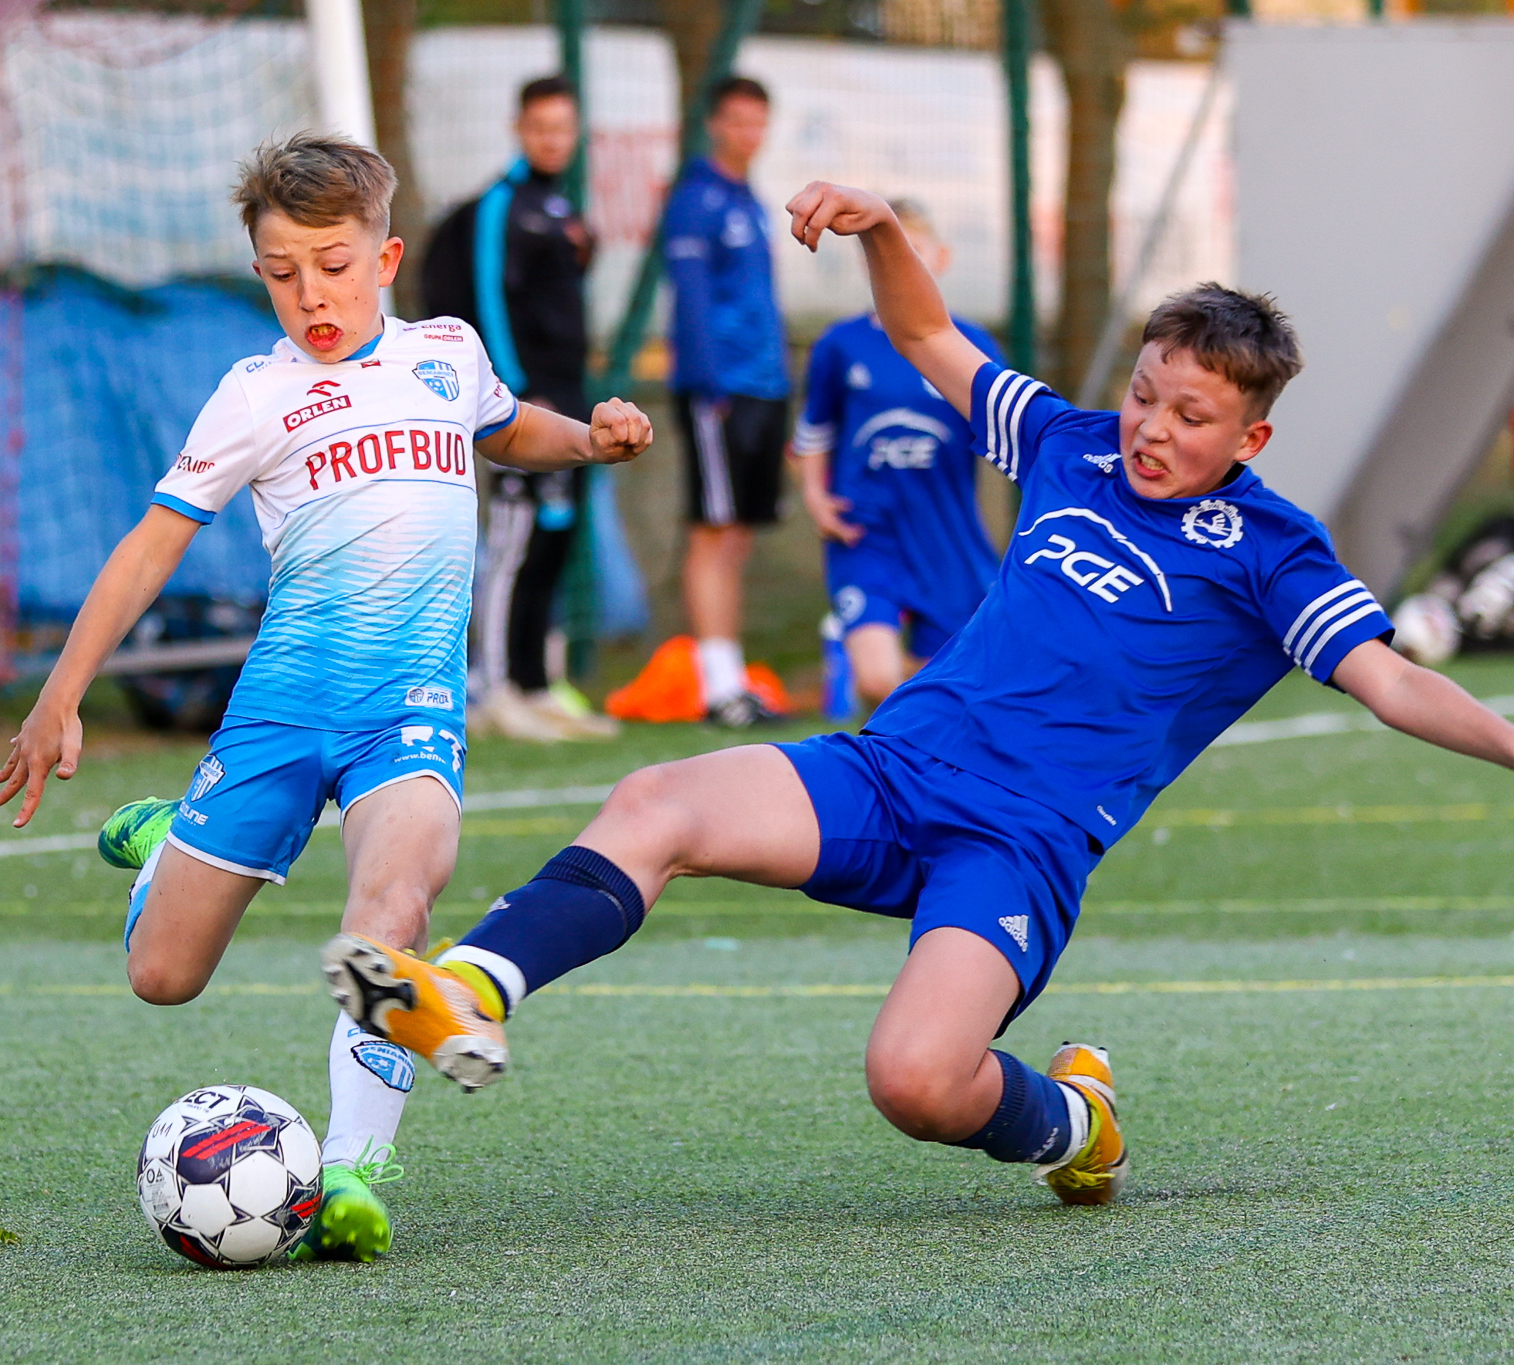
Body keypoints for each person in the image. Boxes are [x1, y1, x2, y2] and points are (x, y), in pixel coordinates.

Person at [318, 181, 1514, 1209]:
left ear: (1247, 438)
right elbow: (926, 331)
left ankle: (1077, 1124)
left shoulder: (1269, 547)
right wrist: (881, 229)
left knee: (916, 1082)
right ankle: (467, 990)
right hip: (891, 772)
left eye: (1189, 417)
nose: (1149, 426)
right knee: (652, 802)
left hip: (1019, 842)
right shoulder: (1070, 443)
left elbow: (1391, 680)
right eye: (1146, 391)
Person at [0, 133, 651, 1260]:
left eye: (333, 265)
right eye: (282, 272)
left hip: (408, 716)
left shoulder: (443, 355)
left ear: (384, 257)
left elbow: (502, 426)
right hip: (277, 718)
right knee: (161, 978)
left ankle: (350, 1174)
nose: (311, 295)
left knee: (391, 917)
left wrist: (587, 437)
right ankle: (164, 844)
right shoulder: (253, 396)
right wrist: (60, 695)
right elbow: (150, 546)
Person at [422, 74, 614, 742]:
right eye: (541, 128)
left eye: (564, 128)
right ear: (519, 128)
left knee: (554, 538)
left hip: (571, 403)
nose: (552, 140)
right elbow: (488, 300)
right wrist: (514, 387)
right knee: (508, 544)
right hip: (524, 403)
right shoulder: (499, 206)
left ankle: (536, 684)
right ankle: (493, 685)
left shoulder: (561, 207)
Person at [791, 200, 1006, 709]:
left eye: (915, 251)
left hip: (945, 534)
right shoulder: (841, 345)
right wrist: (815, 499)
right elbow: (813, 435)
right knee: (876, 680)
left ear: (942, 258)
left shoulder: (971, 344)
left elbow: (1007, 433)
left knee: (968, 686)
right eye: (887, 254)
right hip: (866, 532)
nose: (902, 264)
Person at [662, 75, 791, 728]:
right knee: (712, 532)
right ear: (715, 123)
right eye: (737, 120)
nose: (749, 133)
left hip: (765, 385)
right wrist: (710, 385)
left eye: (758, 121)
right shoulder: (696, 200)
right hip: (722, 390)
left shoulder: (754, 201)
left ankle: (731, 675)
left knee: (737, 533)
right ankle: (718, 687)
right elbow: (689, 301)